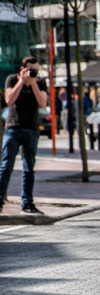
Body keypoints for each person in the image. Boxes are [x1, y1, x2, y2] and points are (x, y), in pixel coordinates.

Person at [0, 56, 48, 214]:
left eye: (36, 69)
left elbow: (43, 103)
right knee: (6, 166)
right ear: (23, 69)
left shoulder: (39, 82)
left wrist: (33, 83)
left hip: (32, 129)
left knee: (29, 168)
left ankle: (27, 203)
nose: (34, 72)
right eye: (30, 70)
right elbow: (8, 99)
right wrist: (22, 82)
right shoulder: (12, 79)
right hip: (13, 128)